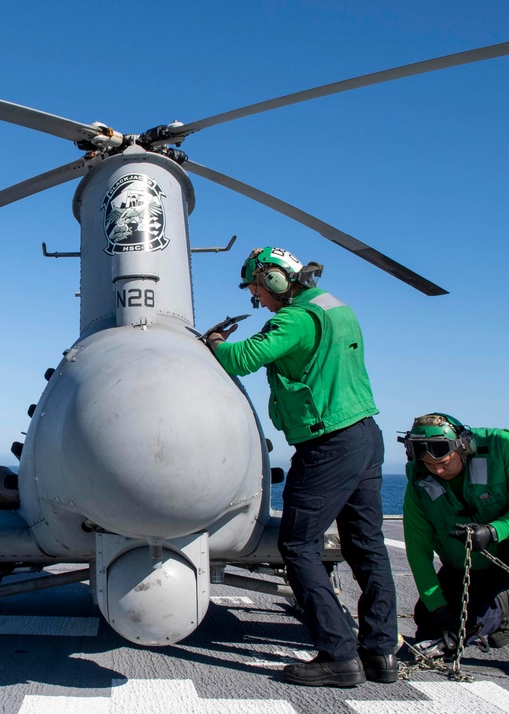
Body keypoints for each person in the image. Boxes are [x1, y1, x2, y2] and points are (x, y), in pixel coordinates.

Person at [206, 246, 398, 688]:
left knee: (297, 546)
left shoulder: (291, 319)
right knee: (366, 545)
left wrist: (216, 342)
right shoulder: (337, 307)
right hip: (366, 435)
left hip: (328, 443)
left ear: (275, 280)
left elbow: (242, 359)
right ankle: (379, 652)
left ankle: (338, 655)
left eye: (258, 291)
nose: (260, 301)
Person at [400, 413, 509, 679]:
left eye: (444, 463)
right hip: (469, 568)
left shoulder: (501, 446)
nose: (437, 471)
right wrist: (440, 609)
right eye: (429, 465)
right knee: (432, 631)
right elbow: (418, 550)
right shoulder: (418, 481)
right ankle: (499, 614)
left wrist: (494, 531)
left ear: (463, 448)